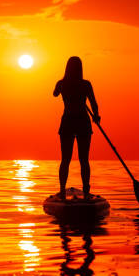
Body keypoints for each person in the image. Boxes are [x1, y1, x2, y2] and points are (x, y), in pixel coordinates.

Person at [53, 56, 100, 200]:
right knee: (83, 159)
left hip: (68, 122)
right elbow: (93, 103)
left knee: (65, 159)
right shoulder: (85, 84)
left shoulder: (62, 84)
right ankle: (86, 191)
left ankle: (62, 190)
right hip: (82, 122)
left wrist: (63, 87)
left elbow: (54, 94)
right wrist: (96, 116)